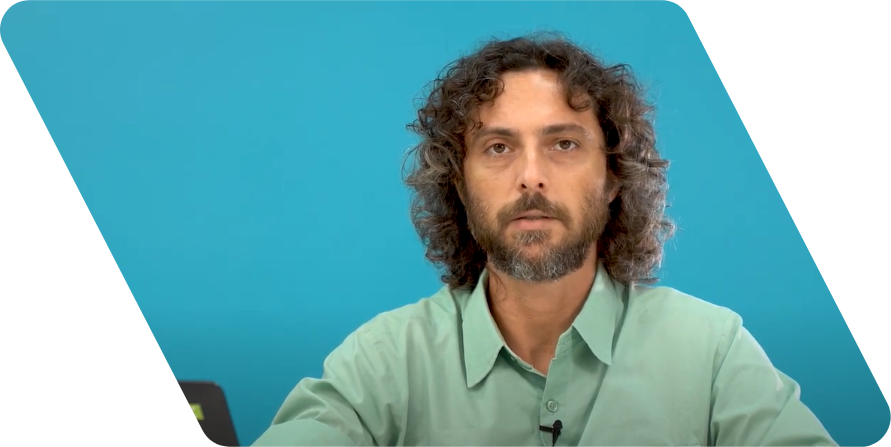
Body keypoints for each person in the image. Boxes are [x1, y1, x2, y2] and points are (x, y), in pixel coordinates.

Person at [251, 33, 837, 447]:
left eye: (563, 144)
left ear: (613, 178)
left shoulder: (714, 352)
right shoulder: (383, 361)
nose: (531, 176)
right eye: (499, 147)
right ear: (459, 185)